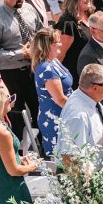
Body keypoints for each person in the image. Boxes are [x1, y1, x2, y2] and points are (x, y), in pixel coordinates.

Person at [0, 0, 44, 137]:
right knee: (16, 113)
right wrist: (21, 54)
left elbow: (40, 31)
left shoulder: (29, 9)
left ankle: (40, 143)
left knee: (38, 106)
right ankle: (17, 147)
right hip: (10, 74)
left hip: (33, 68)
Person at [31, 28, 72, 156]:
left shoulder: (54, 62)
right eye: (57, 42)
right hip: (56, 120)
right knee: (61, 161)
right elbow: (60, 99)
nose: (60, 44)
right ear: (47, 45)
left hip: (64, 116)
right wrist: (78, 111)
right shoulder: (47, 69)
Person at [56, 64, 103, 157]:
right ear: (95, 88)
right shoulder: (78, 116)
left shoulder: (91, 100)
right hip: (84, 171)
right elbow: (71, 159)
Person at [55, 0, 93, 79]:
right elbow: (59, 56)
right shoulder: (67, 24)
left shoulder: (89, 15)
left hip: (91, 71)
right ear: (74, 0)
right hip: (76, 76)